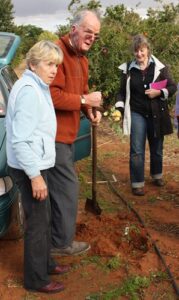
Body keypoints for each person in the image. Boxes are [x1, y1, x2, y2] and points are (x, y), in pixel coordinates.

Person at [5, 41, 70, 294]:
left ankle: (46, 263)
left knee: (44, 216)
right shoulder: (30, 91)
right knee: (38, 224)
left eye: (56, 65)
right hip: (27, 167)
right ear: (33, 64)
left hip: (34, 163)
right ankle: (36, 279)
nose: (54, 70)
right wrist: (35, 176)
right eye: (49, 64)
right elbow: (20, 140)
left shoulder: (38, 85)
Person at [49, 9, 102, 256]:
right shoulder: (57, 54)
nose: (92, 37)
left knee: (60, 189)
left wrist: (90, 108)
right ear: (74, 29)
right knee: (67, 189)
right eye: (88, 32)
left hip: (69, 135)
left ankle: (55, 237)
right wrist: (83, 98)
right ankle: (60, 244)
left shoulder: (82, 58)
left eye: (96, 35)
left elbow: (82, 91)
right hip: (55, 135)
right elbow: (52, 95)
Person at [115, 34, 177, 196]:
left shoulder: (160, 68)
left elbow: (172, 87)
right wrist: (119, 109)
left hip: (157, 113)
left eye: (141, 50)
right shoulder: (128, 69)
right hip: (137, 112)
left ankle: (157, 174)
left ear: (147, 50)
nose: (139, 54)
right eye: (136, 51)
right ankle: (137, 183)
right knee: (137, 148)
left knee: (157, 147)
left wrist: (159, 92)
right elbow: (120, 92)